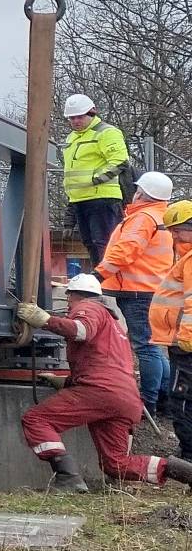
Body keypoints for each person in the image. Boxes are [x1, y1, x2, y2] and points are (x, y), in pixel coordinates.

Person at [17, 273, 192, 492]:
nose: (68, 304)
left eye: (69, 299)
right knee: (116, 464)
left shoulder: (88, 308)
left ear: (72, 296)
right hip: (126, 399)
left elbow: (81, 331)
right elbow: (103, 365)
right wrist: (65, 382)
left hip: (100, 392)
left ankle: (67, 477)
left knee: (36, 419)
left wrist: (45, 320)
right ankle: (181, 471)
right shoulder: (115, 327)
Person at [95, 170, 175, 411]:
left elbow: (126, 251)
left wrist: (97, 275)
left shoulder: (143, 218)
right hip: (152, 290)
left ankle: (148, 403)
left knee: (146, 347)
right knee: (154, 346)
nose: (135, 193)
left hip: (137, 291)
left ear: (144, 194)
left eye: (139, 190)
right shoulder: (163, 217)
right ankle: (165, 398)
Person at [59, 94, 130, 259]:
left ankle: (106, 282)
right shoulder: (72, 138)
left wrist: (94, 180)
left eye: (80, 117)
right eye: (72, 118)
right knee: (91, 245)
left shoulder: (106, 133)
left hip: (102, 199)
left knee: (104, 244)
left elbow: (120, 162)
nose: (75, 121)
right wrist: (69, 219)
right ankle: (99, 280)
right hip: (80, 200)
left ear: (92, 114)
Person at [157, 201, 192, 453]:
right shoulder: (185, 257)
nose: (174, 235)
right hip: (181, 342)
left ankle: (189, 454)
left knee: (182, 399)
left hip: (186, 345)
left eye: (178, 229)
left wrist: (186, 338)